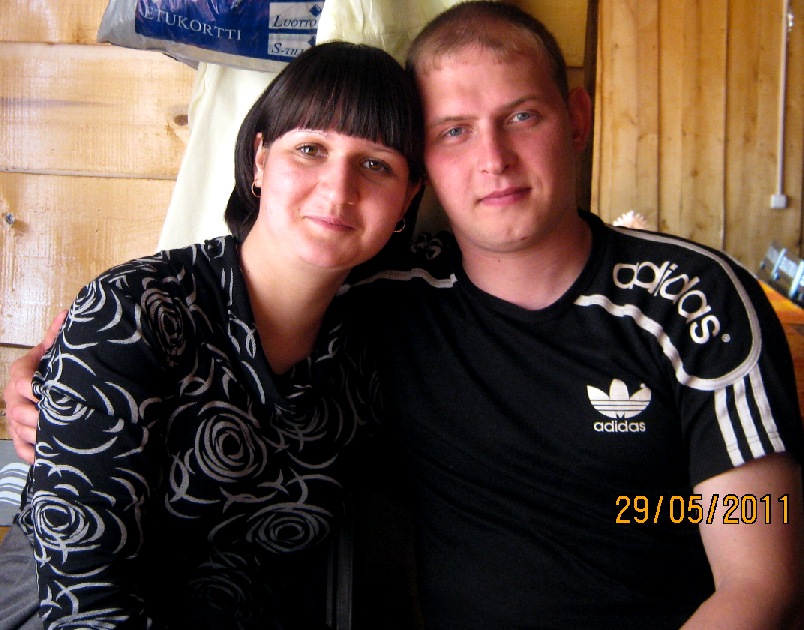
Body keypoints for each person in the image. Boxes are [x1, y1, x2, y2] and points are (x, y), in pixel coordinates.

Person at [6, 2, 804, 628]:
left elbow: (761, 576)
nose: (493, 159)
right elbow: (187, 304)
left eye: (522, 116)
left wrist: (656, 504)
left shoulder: (693, 299)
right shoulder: (389, 291)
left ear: (578, 119)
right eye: (454, 132)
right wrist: (51, 364)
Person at [0, 40, 423, 629]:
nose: (338, 189)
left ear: (408, 199)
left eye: (376, 164)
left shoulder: (367, 348)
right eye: (310, 149)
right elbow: (83, 595)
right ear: (259, 160)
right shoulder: (134, 309)